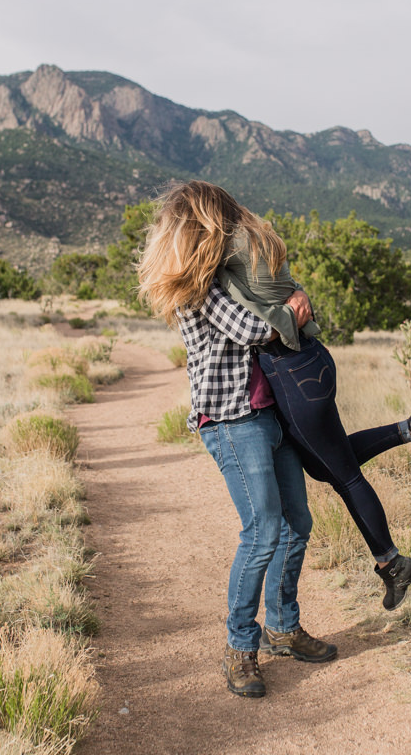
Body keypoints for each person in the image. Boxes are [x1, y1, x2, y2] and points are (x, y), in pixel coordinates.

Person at [214, 193, 411, 608]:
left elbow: (244, 316)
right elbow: (287, 289)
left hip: (288, 371)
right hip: (311, 361)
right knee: (329, 464)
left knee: (344, 476)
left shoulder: (225, 250)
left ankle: (393, 564)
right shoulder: (260, 236)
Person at [137, 183, 335, 699]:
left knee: (297, 524)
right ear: (203, 228)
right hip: (232, 421)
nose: (235, 229)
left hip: (269, 414)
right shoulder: (198, 291)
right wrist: (293, 310)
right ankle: (240, 648)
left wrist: (285, 306)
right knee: (263, 530)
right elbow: (250, 328)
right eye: (224, 220)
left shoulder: (227, 277)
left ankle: (284, 628)